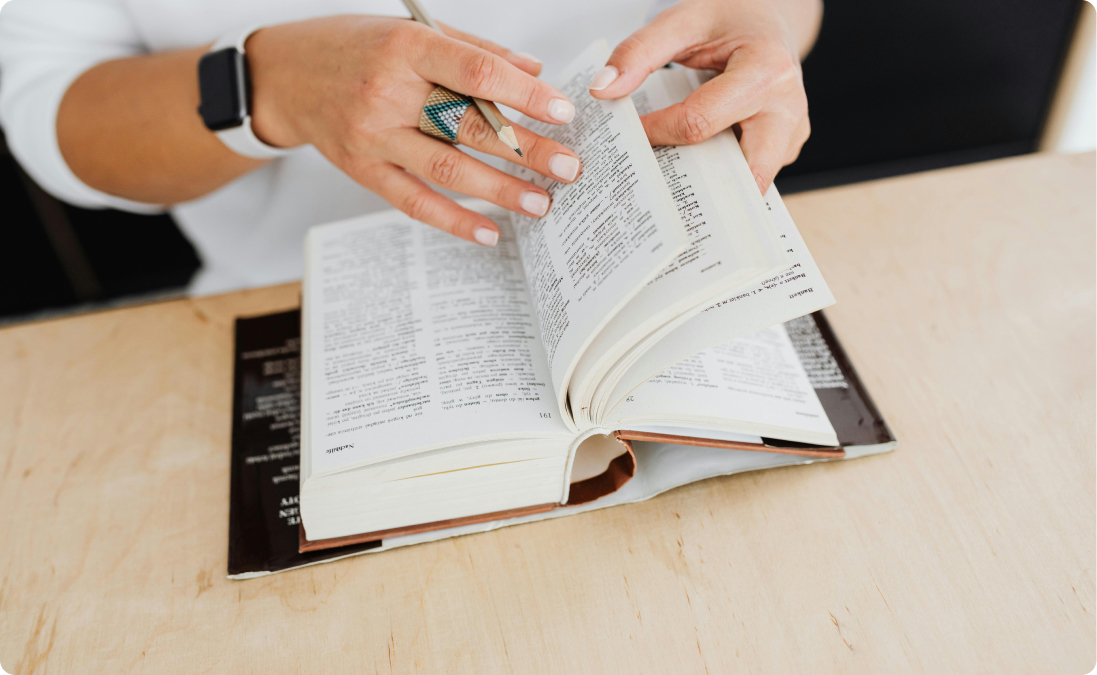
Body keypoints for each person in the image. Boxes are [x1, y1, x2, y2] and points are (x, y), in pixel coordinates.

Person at [0, 0, 821, 295]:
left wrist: (767, 24)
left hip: (667, 271)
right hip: (296, 300)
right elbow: (53, 116)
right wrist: (268, 84)